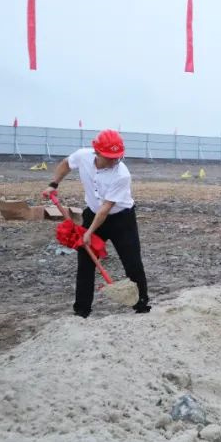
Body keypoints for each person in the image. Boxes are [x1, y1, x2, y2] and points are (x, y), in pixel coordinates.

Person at [45, 129, 150, 317]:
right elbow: (66, 164)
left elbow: (106, 209)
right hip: (92, 213)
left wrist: (88, 232)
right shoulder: (83, 156)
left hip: (121, 219)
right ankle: (82, 310)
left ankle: (141, 305)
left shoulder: (122, 174)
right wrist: (53, 184)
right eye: (109, 157)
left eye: (117, 157)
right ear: (97, 152)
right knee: (85, 262)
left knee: (132, 261)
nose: (114, 161)